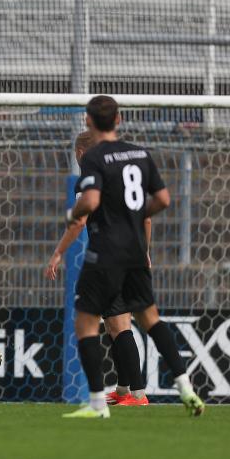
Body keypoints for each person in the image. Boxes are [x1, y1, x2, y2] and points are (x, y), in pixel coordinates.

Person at [63, 95, 204, 419]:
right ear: (119, 120)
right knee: (150, 319)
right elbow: (164, 200)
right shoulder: (140, 154)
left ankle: (98, 404)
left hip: (107, 252)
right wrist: (136, 216)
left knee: (85, 322)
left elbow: (91, 200)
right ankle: (185, 386)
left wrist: (74, 212)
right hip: (136, 252)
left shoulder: (96, 157)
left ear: (88, 121)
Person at [45, 131, 149, 406]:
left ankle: (138, 394)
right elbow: (145, 217)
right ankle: (125, 390)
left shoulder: (89, 179)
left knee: (118, 325)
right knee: (118, 325)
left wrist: (58, 253)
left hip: (109, 260)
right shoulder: (121, 179)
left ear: (80, 153)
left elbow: (79, 223)